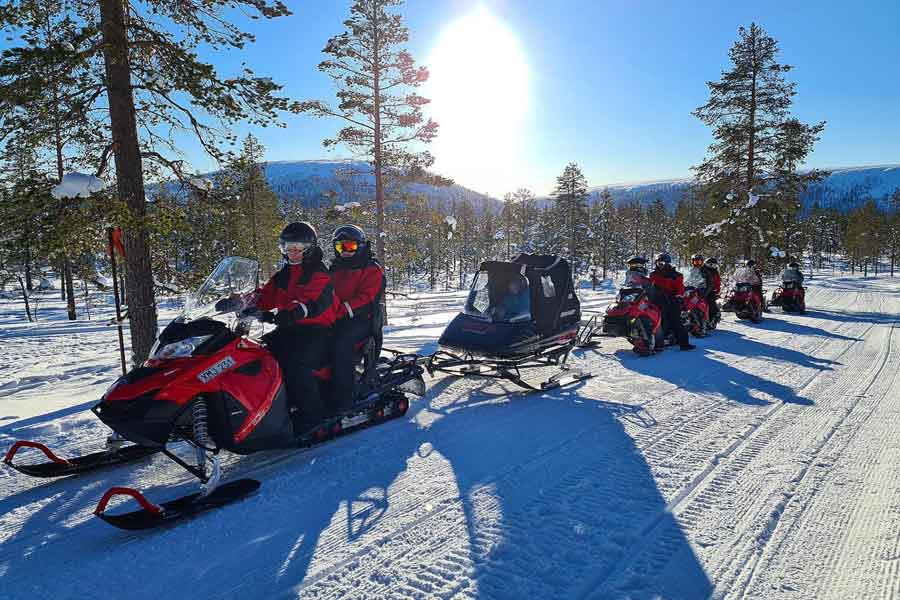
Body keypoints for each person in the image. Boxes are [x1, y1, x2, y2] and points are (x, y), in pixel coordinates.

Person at [252, 222, 339, 430]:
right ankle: (267, 407)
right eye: (289, 248)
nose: (293, 253)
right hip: (289, 329)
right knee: (256, 354)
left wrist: (293, 312)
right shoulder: (283, 275)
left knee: (294, 364)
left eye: (298, 248)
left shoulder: (319, 273)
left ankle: (314, 415)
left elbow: (313, 302)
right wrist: (243, 302)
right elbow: (265, 296)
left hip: (317, 331)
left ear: (309, 248)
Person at [328, 224, 386, 415]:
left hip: (363, 320)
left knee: (339, 345)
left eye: (349, 247)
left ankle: (343, 398)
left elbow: (367, 297)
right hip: (336, 317)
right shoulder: (334, 269)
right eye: (340, 247)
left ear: (360, 246)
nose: (344, 252)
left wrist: (342, 309)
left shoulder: (371, 269)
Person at [648, 252, 695, 350]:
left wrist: (677, 297)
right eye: (659, 263)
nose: (660, 265)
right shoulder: (653, 274)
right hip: (655, 299)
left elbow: (680, 289)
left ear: (668, 264)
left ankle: (684, 344)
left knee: (675, 320)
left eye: (663, 263)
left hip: (671, 300)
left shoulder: (676, 275)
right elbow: (647, 285)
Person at [701, 257, 722, 323]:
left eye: (713, 265)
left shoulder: (715, 272)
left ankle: (713, 316)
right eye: (710, 264)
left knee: (710, 300)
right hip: (700, 288)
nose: (712, 266)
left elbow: (717, 282)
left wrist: (717, 290)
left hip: (710, 290)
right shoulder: (701, 270)